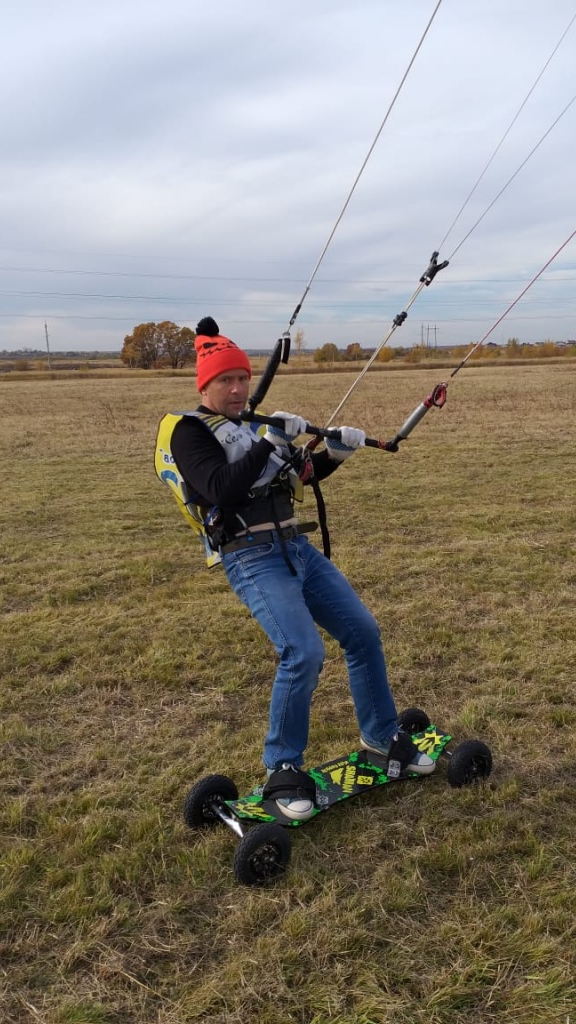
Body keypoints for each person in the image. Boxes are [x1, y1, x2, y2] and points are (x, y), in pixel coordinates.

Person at [159, 316, 434, 822]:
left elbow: (299, 477)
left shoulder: (252, 429)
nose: (239, 387)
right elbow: (221, 488)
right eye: (226, 380)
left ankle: (380, 735)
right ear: (205, 384)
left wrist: (336, 453)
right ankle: (282, 768)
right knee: (302, 652)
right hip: (250, 557)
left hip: (297, 550)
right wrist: (268, 440)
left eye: (242, 377)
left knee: (362, 632)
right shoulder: (189, 432)